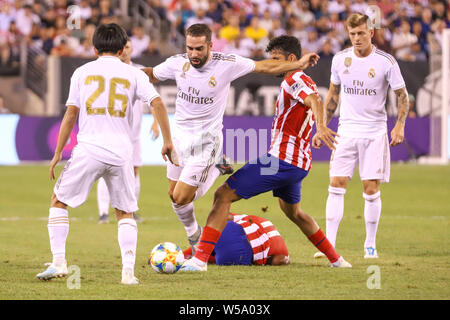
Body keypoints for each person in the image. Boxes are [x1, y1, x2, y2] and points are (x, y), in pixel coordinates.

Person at [142, 24, 320, 256]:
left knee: (182, 196)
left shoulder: (226, 63)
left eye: (199, 49)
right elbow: (151, 74)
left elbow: (263, 66)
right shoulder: (177, 62)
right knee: (174, 195)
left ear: (210, 45)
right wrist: (124, 71)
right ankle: (194, 234)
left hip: (206, 139)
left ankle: (217, 167)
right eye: (190, 49)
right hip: (179, 136)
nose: (194, 54)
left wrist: (297, 64)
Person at [179, 35, 352, 272]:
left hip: (281, 161)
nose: (274, 65)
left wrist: (321, 127)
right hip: (298, 165)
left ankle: (199, 261)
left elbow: (314, 99)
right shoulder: (298, 80)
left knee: (223, 195)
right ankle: (337, 260)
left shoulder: (294, 78)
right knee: (294, 212)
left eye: (277, 59)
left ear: (291, 59)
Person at [36, 23, 175, 285]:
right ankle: (128, 274)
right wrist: (168, 141)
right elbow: (157, 102)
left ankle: (58, 263)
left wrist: (57, 153)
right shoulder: (134, 74)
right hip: (122, 152)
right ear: (123, 48)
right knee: (125, 212)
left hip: (89, 148)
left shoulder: (81, 72)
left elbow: (71, 114)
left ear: (93, 47)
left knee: (58, 201)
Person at [312, 13, 409, 260]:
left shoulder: (386, 61)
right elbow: (333, 95)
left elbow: (402, 95)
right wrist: (321, 126)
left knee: (370, 188)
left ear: (371, 33)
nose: (356, 38)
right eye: (352, 34)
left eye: (361, 33)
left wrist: (399, 125)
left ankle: (370, 244)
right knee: (336, 184)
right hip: (346, 130)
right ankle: (329, 246)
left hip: (375, 131)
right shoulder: (340, 59)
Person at [97, 39, 160, 224]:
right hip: (111, 132)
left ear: (132, 50)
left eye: (128, 48)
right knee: (105, 170)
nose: (125, 51)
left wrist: (156, 122)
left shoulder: (140, 72)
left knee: (134, 171)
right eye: (122, 48)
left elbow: (153, 100)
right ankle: (103, 212)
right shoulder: (109, 71)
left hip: (133, 134)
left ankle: (131, 209)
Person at [183, 212, 290, 266]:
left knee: (208, 246)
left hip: (229, 231)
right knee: (219, 257)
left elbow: (224, 216)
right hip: (242, 255)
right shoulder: (281, 249)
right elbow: (280, 259)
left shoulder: (261, 220)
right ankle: (195, 257)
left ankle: (182, 256)